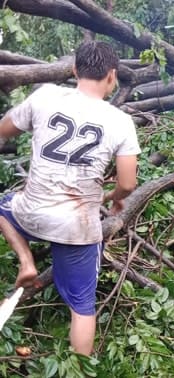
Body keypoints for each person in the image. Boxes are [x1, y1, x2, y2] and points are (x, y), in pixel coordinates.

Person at [0, 41, 140, 356]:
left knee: (3, 206)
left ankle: (26, 260)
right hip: (77, 227)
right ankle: (79, 368)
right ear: (112, 77)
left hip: (30, 213)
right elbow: (128, 183)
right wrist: (115, 199)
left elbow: (5, 129)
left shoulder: (46, 95)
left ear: (75, 69)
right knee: (82, 306)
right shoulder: (120, 122)